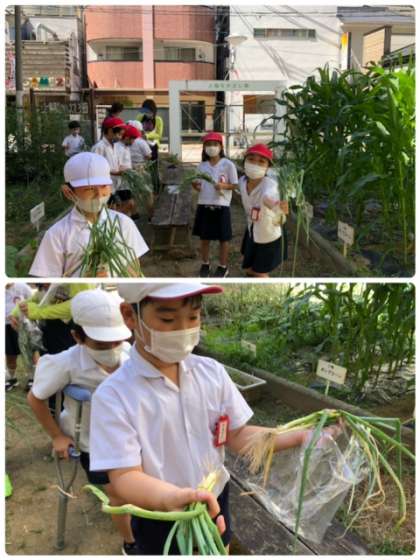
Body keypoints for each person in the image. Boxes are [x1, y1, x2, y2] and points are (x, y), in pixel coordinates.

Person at [89, 283, 341, 555]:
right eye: (168, 319)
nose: (183, 329)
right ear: (130, 315)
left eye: (193, 317)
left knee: (219, 550)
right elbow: (125, 477)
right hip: (159, 513)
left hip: (215, 499)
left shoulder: (211, 372)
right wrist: (171, 498)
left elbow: (237, 435)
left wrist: (301, 436)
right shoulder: (114, 395)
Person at [27, 289, 138, 555]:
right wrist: (57, 436)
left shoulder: (129, 353)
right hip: (93, 442)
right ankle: (131, 543)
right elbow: (35, 398)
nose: (111, 349)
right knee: (118, 495)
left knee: (136, 487)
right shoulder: (65, 363)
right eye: (101, 344)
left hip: (131, 436)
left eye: (116, 341)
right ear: (77, 337)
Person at [29, 152, 149, 277]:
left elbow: (134, 271)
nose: (99, 194)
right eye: (90, 189)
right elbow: (49, 282)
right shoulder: (57, 234)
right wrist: (83, 281)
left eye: (104, 186)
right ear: (68, 192)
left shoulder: (124, 223)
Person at [192, 132, 238, 278]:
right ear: (204, 148)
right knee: (204, 237)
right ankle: (205, 264)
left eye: (214, 144)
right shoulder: (201, 166)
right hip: (204, 203)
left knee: (223, 239)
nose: (211, 147)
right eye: (208, 145)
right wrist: (196, 186)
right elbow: (196, 183)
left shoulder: (228, 164)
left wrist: (223, 186)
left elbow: (234, 185)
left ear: (221, 147)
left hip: (221, 205)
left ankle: (223, 267)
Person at [239, 144, 288, 278]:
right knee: (249, 268)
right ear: (244, 161)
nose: (255, 164)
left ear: (268, 167)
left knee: (260, 272)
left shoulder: (270, 185)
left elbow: (268, 197)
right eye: (251, 159)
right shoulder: (242, 181)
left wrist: (276, 206)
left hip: (268, 234)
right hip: (252, 229)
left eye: (261, 161)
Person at [5, 283, 33, 390]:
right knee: (10, 354)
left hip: (22, 324)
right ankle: (12, 379)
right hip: (5, 325)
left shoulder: (22, 286)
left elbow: (34, 301)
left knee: (28, 352)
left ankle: (32, 378)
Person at [92, 117, 129, 194]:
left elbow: (116, 163)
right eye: (119, 134)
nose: (120, 138)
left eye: (121, 135)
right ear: (110, 131)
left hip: (114, 185)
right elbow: (95, 168)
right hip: (104, 186)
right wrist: (115, 173)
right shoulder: (99, 147)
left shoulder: (115, 146)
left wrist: (123, 168)